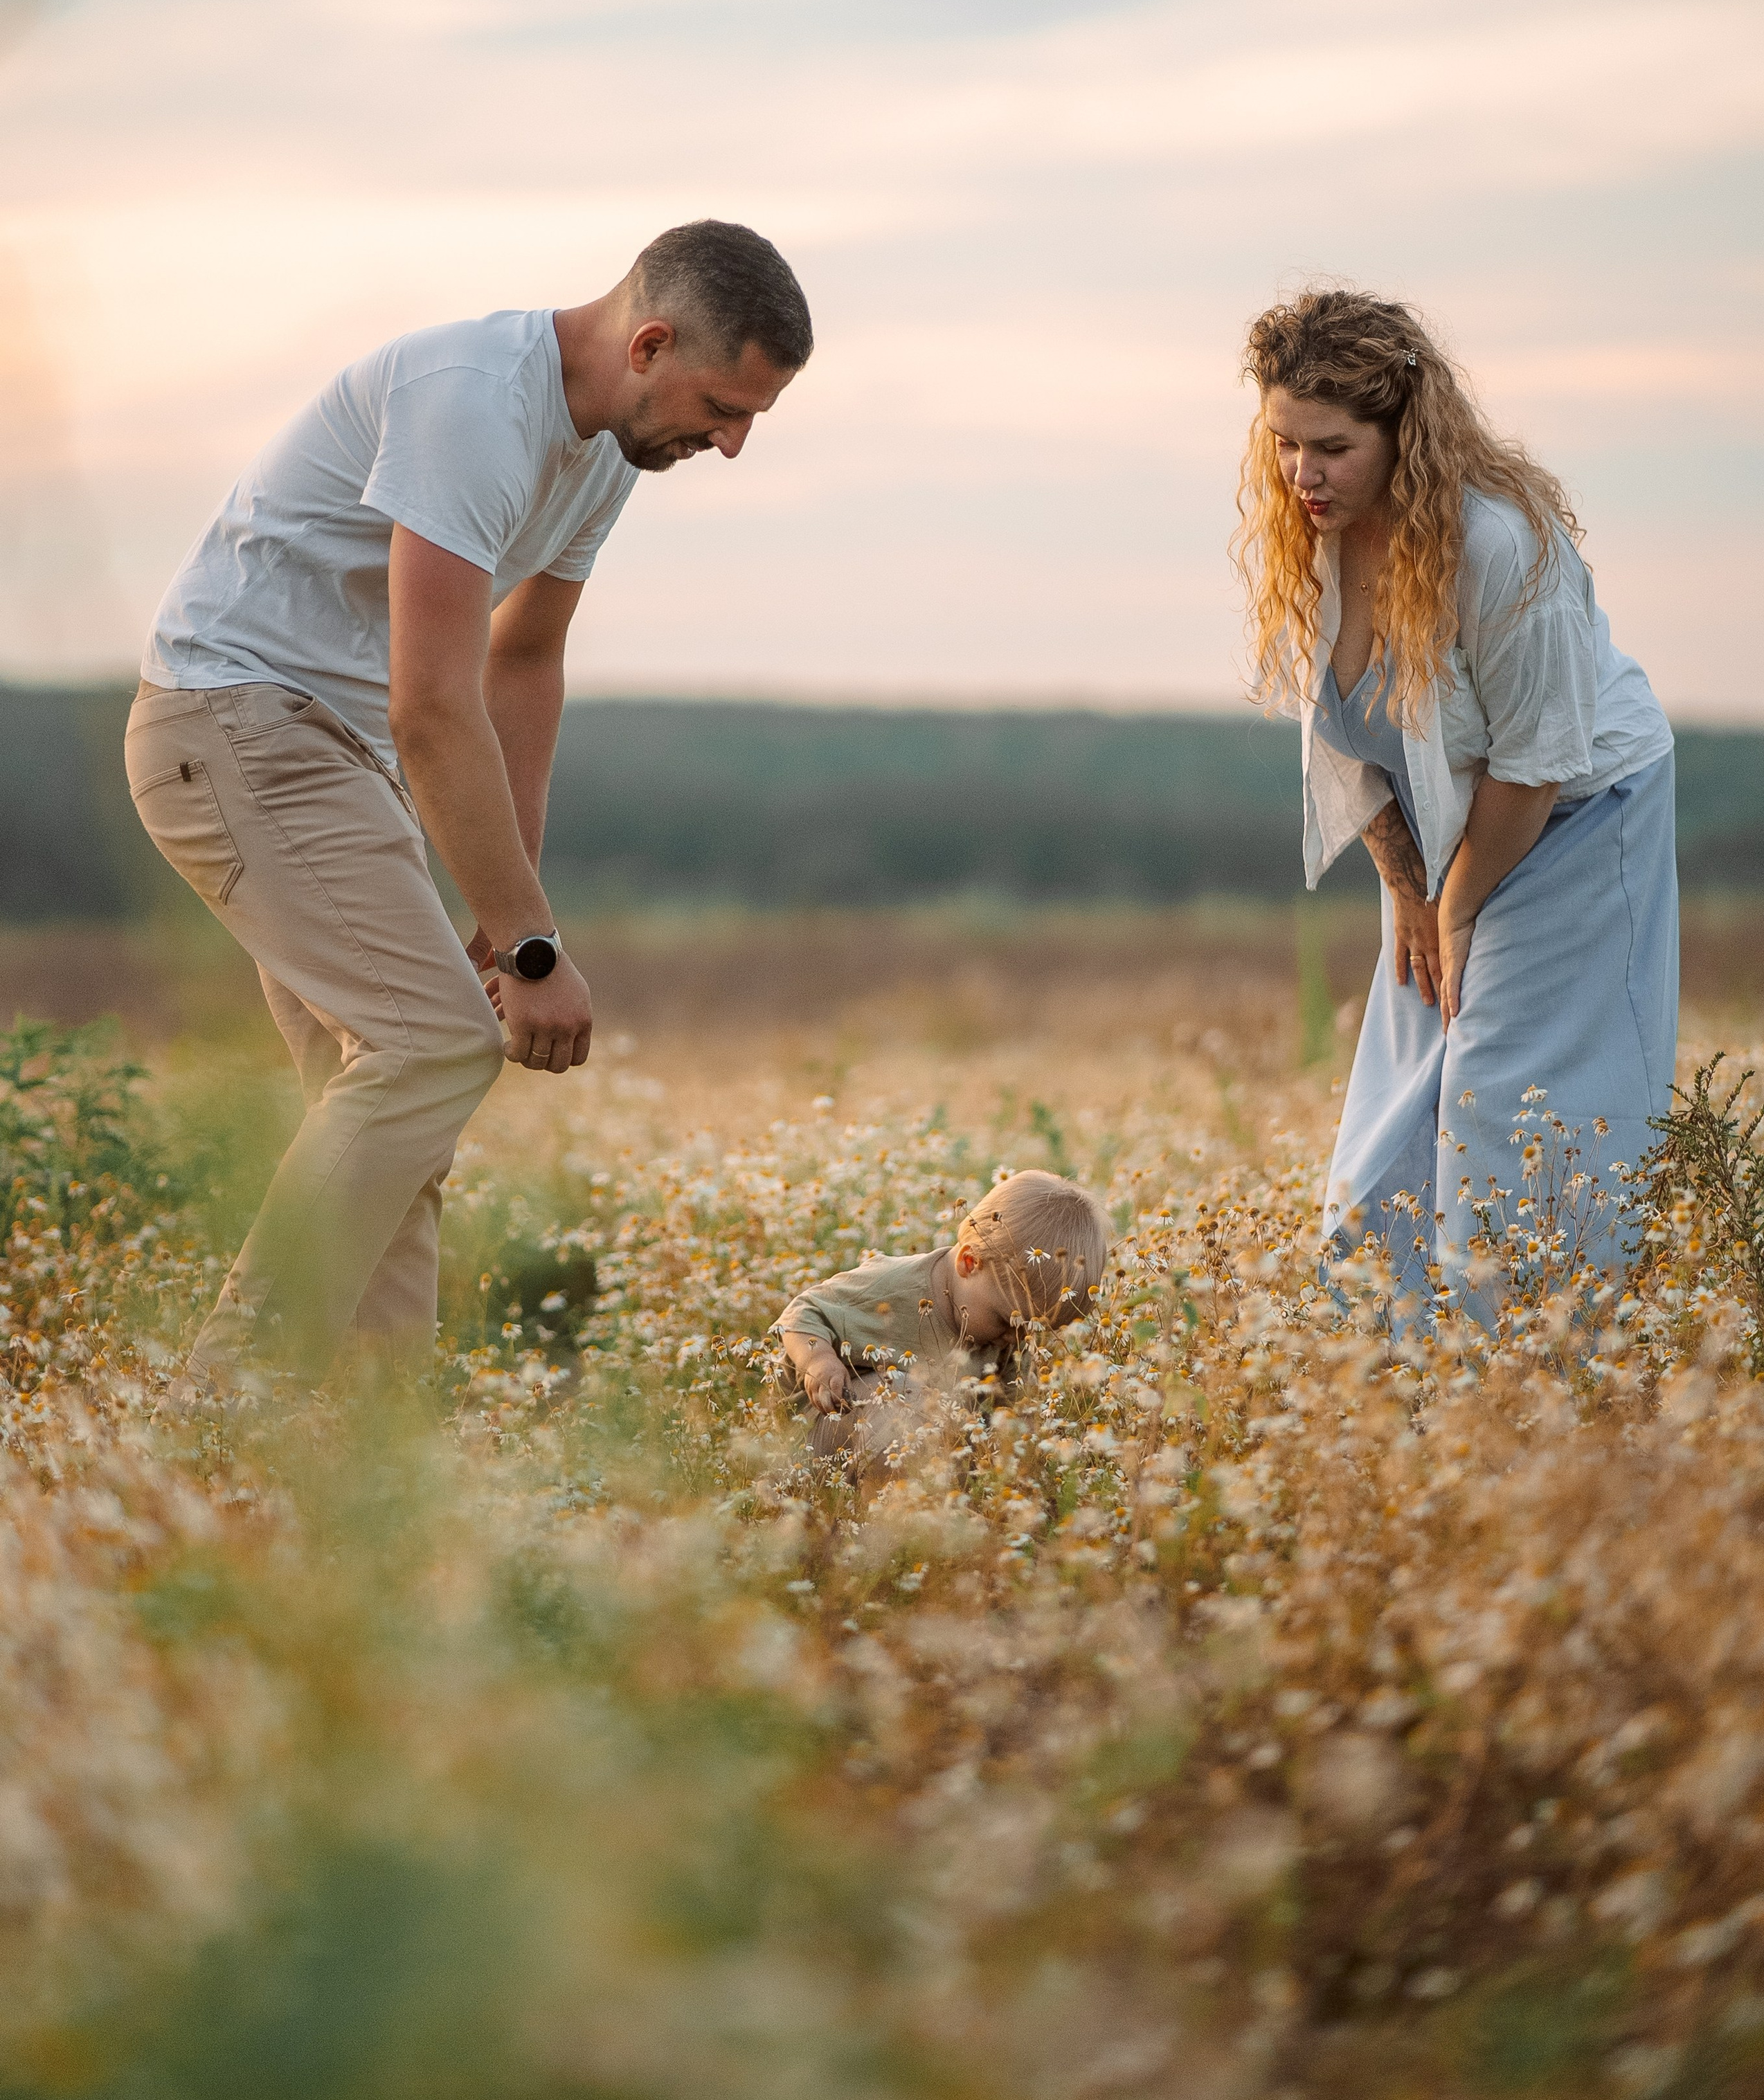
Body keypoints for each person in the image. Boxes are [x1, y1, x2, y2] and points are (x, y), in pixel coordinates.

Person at [126, 219, 812, 1386]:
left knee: (398, 1111)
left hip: (324, 754)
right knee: (433, 1046)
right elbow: (431, 703)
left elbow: (522, 663)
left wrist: (508, 921)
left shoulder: (608, 446)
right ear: (648, 343)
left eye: (754, 418)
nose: (735, 443)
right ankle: (218, 1418)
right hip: (236, 726)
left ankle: (375, 1460)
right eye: (725, 405)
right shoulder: (473, 406)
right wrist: (540, 954)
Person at [1234, 287, 1677, 1313]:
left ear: (1404, 430)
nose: (1303, 474)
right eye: (1285, 444)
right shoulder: (1314, 536)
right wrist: (1406, 889)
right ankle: (1374, 1384)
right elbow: (1349, 739)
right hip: (1443, 844)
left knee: (1507, 1099)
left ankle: (1527, 1372)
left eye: (1332, 446)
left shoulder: (1500, 547)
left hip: (1576, 817)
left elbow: (1535, 764)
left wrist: (1460, 903)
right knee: (1397, 1101)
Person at [775, 1168, 1112, 1458]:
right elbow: (803, 1312)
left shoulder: (1007, 1328)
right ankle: (884, 1525)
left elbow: (1011, 1409)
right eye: (1010, 1322)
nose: (1017, 1339)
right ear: (970, 1263)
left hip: (924, 1451)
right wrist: (818, 1360)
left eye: (1033, 1331)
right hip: (820, 1436)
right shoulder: (890, 1288)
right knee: (901, 1395)